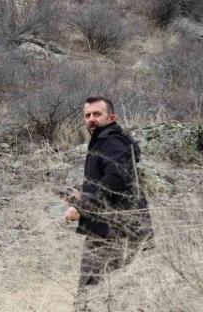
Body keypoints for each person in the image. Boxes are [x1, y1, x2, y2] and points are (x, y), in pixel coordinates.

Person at [62, 96, 153, 311]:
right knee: (119, 295)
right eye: (87, 115)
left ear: (112, 117)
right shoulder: (105, 141)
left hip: (112, 231)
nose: (91, 119)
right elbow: (112, 180)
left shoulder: (112, 141)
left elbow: (116, 179)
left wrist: (81, 206)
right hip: (121, 228)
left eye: (97, 114)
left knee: (90, 295)